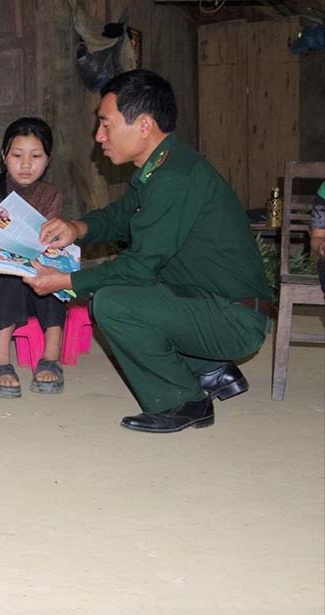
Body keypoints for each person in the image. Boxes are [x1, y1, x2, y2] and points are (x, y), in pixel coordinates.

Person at [31, 69, 271, 433]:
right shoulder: (162, 166)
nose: (99, 137)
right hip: (208, 300)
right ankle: (208, 369)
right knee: (132, 291)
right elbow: (121, 215)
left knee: (112, 302)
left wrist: (66, 280)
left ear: (143, 125)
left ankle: (183, 400)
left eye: (106, 125)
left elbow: (139, 268)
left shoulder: (173, 178)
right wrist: (78, 228)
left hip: (233, 318)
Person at [0, 117, 68, 397]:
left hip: (34, 288)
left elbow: (50, 244)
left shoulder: (51, 194)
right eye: (17, 155)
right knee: (8, 271)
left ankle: (51, 357)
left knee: (49, 272)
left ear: (48, 160)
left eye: (36, 156)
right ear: (3, 156)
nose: (26, 164)